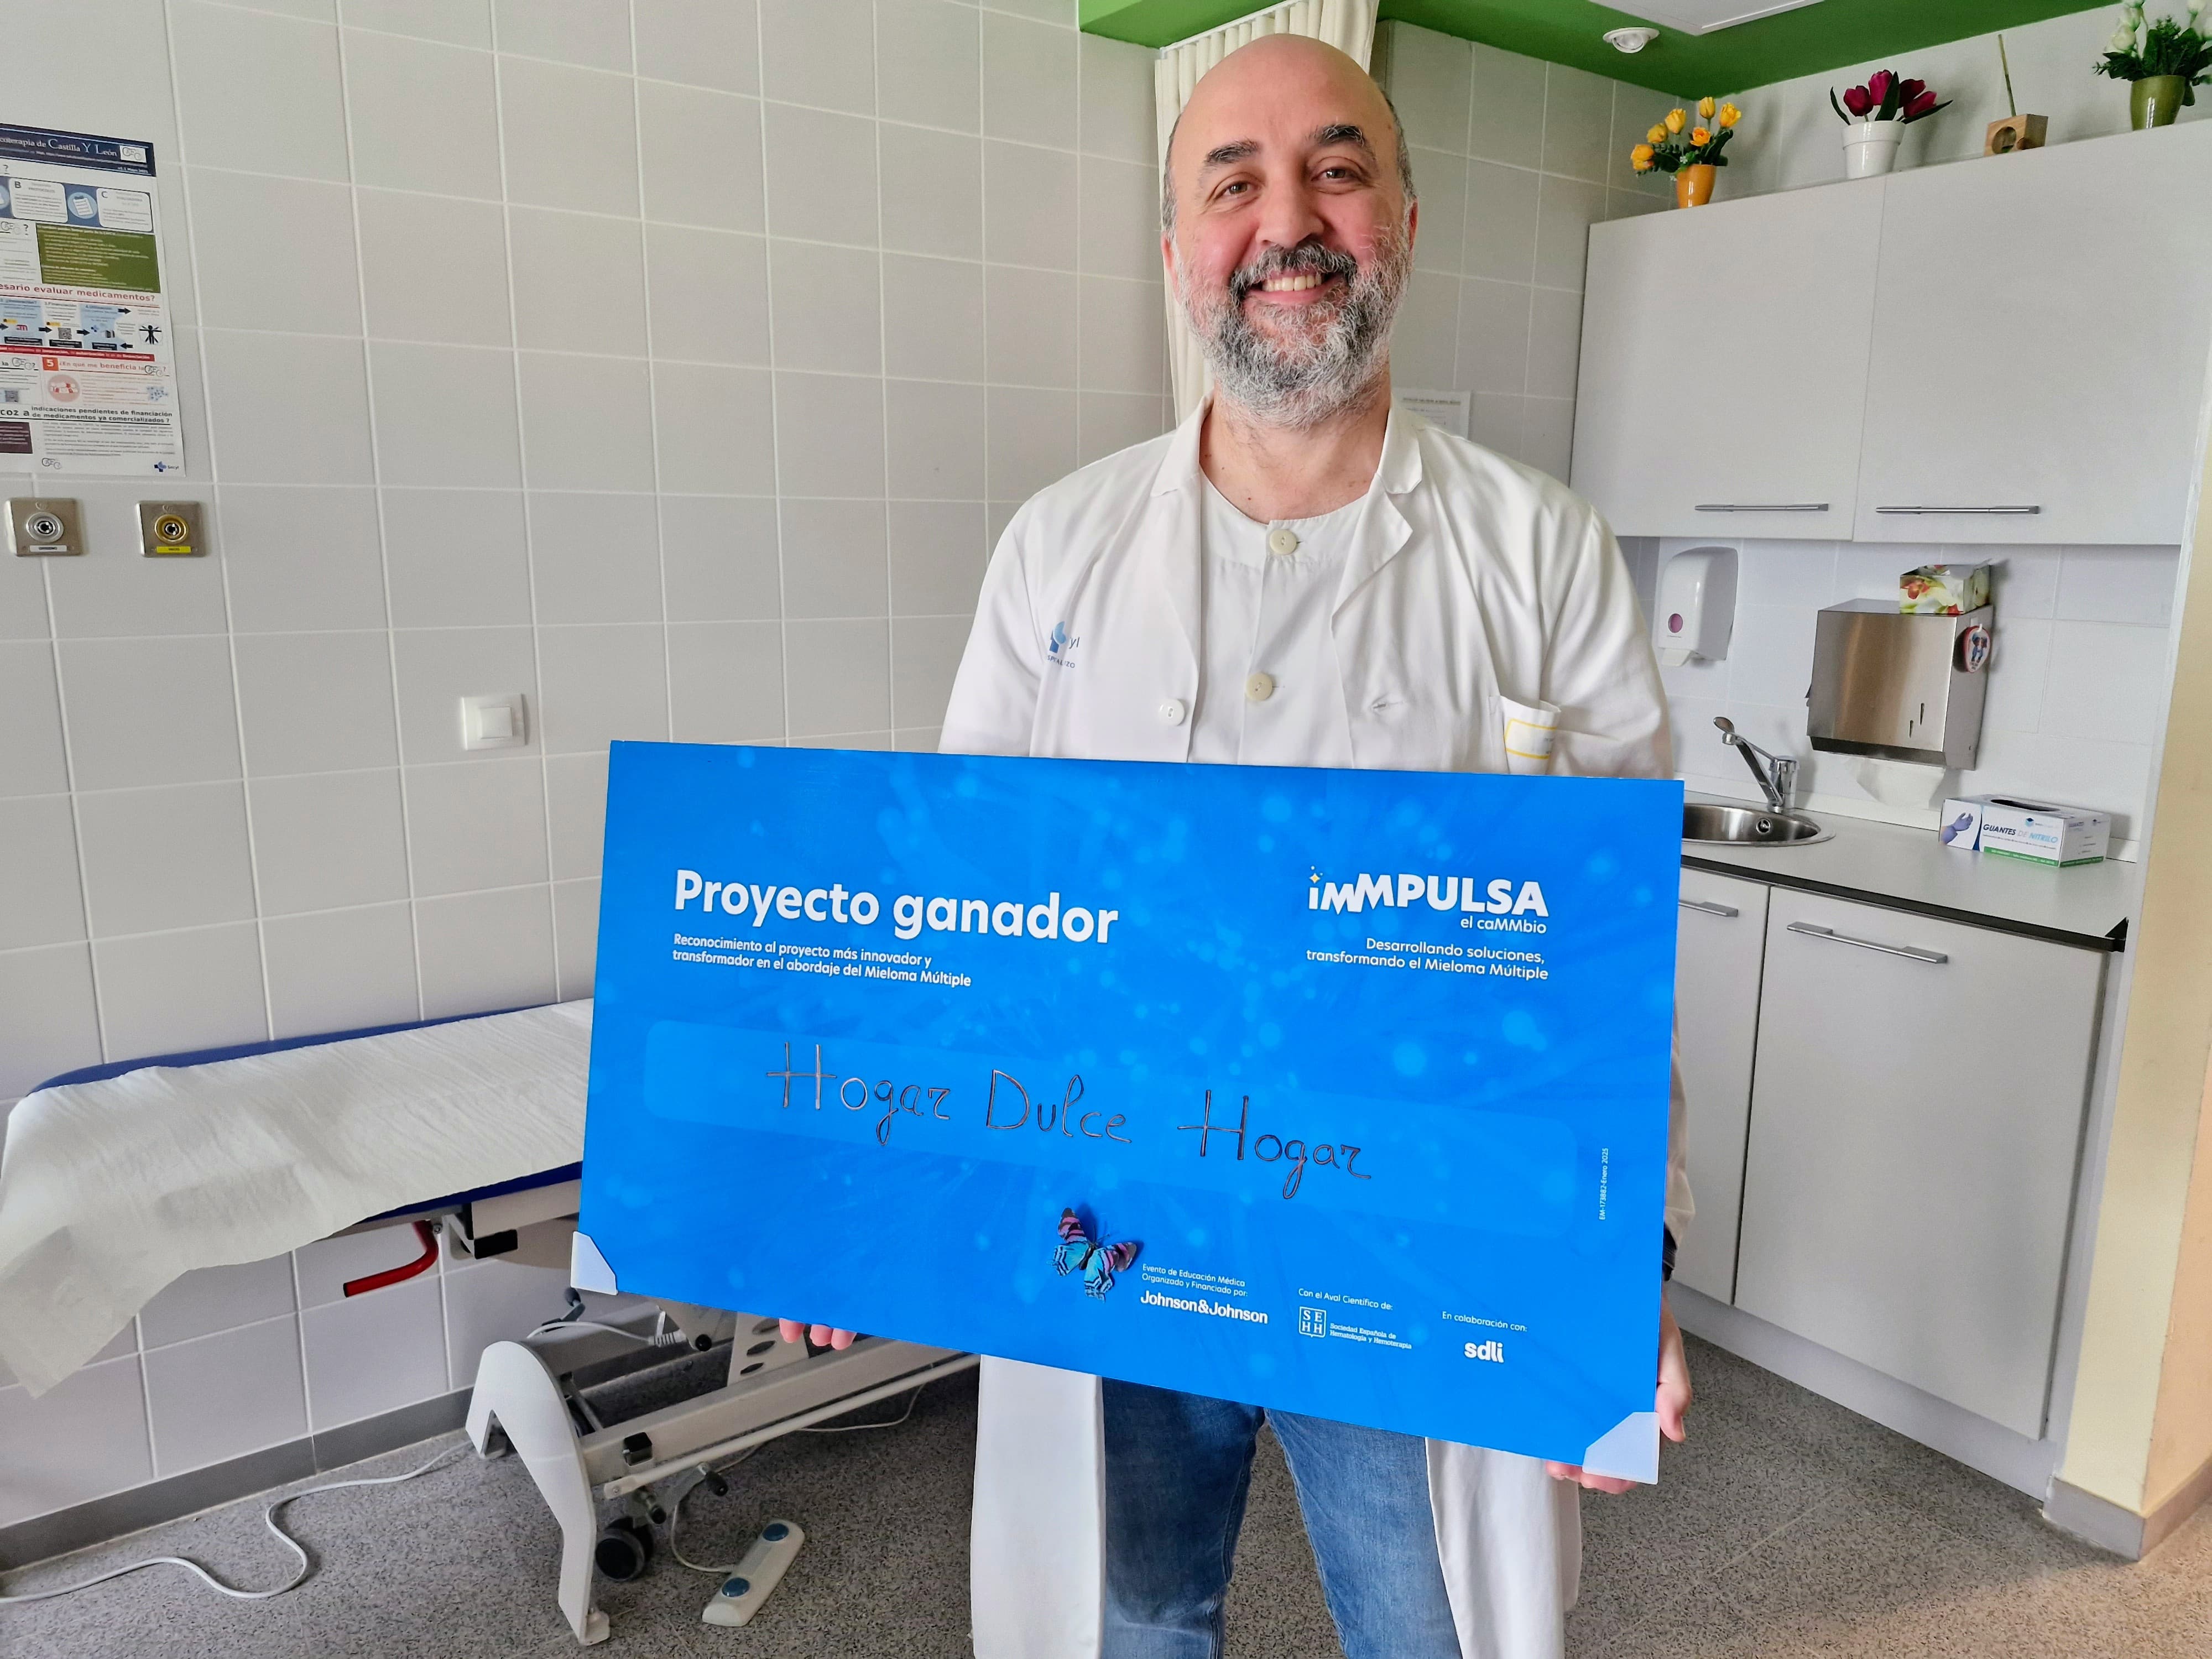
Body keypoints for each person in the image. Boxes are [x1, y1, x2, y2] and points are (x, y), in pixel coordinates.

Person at [784, 33, 1692, 1659]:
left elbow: (1611, 963)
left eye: (1337, 171)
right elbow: (957, 917)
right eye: (1234, 183)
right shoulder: (1057, 547)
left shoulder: (1541, 551)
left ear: (1402, 222)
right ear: (1175, 252)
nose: (1288, 223)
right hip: (1116, 1216)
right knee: (1137, 1613)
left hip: (1403, 1234)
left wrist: (1627, 1260)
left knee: (1424, 1621)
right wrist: (869, 1184)